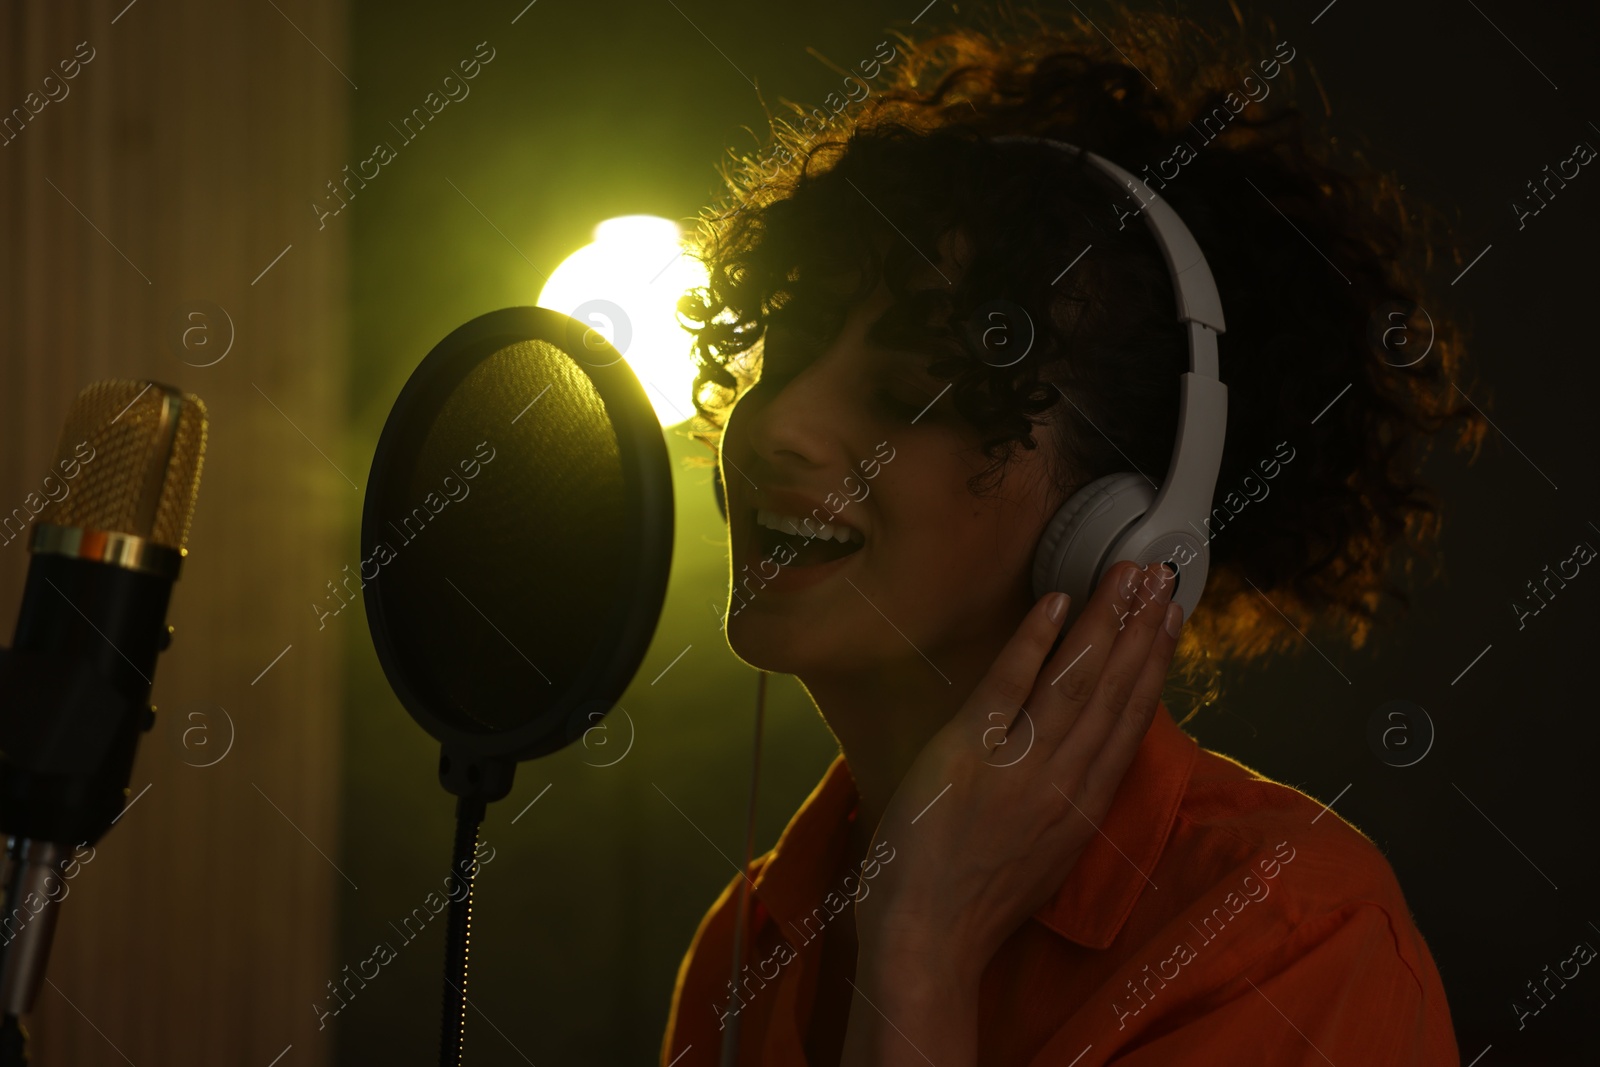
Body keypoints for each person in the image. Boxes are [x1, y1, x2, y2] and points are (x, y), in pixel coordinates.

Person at [663, 6, 1484, 1064]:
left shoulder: (1291, 934)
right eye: (783, 360)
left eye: (906, 396)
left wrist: (919, 945)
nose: (775, 426)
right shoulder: (752, 934)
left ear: (1121, 533)